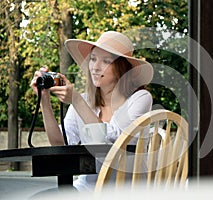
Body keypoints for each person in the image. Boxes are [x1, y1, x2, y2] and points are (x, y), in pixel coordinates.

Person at [30, 31, 154, 191]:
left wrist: (76, 100)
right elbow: (60, 143)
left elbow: (111, 145)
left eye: (106, 61)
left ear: (122, 68)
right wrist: (44, 101)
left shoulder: (140, 99)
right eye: (93, 59)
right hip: (86, 189)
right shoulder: (84, 100)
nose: (95, 67)